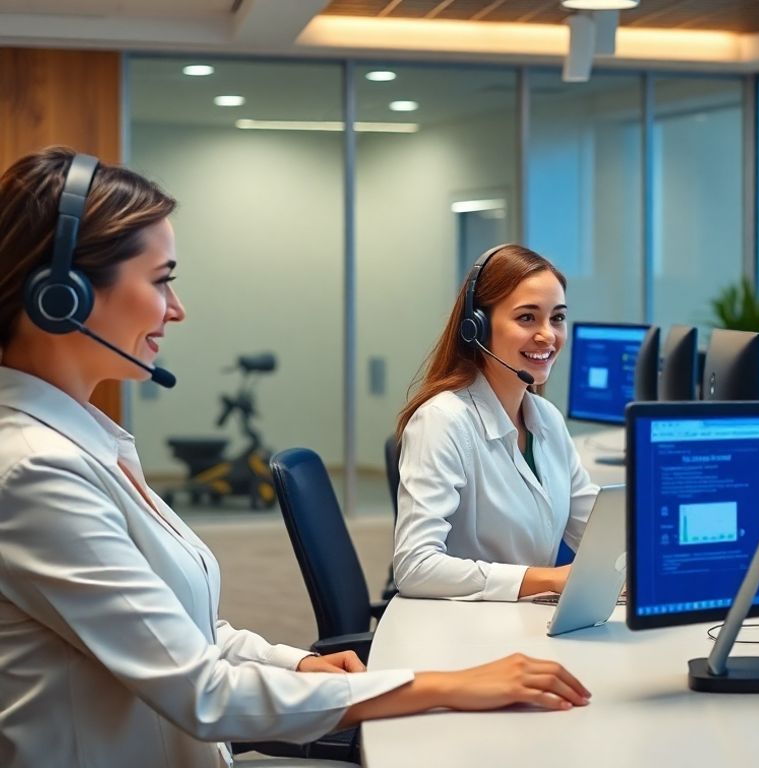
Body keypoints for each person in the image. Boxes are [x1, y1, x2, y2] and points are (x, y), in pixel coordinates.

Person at [0, 148, 589, 768]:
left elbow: (187, 632)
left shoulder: (90, 443)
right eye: (161, 279)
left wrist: (297, 661)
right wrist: (446, 685)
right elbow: (201, 692)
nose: (176, 308)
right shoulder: (38, 471)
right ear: (60, 297)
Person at [392, 243, 598, 601]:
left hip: (527, 621)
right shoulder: (442, 421)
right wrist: (546, 580)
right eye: (527, 317)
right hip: (462, 631)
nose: (548, 335)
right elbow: (414, 565)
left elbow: (596, 528)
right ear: (477, 327)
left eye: (558, 317)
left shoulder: (545, 418)